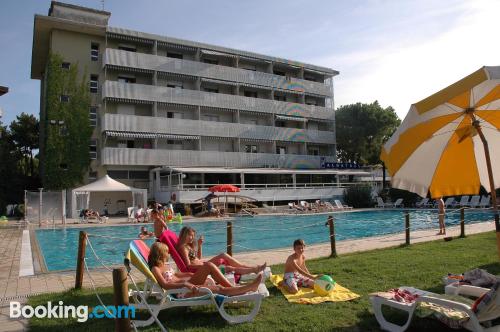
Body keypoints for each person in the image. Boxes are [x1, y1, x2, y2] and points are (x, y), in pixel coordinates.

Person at [149, 242, 263, 298]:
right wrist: (185, 283)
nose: (168, 254)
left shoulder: (166, 265)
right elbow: (165, 285)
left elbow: (178, 275)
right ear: (160, 254)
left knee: (209, 266)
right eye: (166, 252)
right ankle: (243, 289)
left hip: (188, 283)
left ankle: (240, 289)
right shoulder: (155, 268)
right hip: (182, 291)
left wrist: (190, 275)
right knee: (218, 288)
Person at [176, 226, 266, 275]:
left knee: (226, 259)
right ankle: (254, 269)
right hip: (200, 269)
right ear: (184, 235)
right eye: (190, 235)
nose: (192, 238)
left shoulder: (187, 246)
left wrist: (199, 246)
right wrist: (207, 266)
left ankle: (253, 269)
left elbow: (198, 258)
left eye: (193, 235)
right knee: (228, 265)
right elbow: (188, 265)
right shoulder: (183, 248)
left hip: (203, 265)